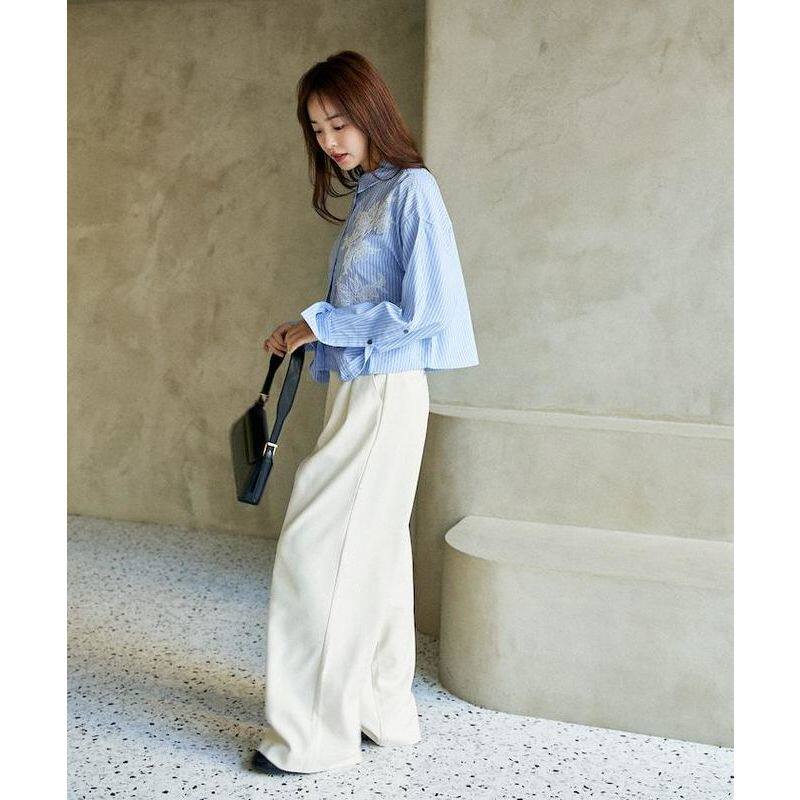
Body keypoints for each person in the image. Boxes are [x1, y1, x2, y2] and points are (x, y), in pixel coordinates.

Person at [251, 50, 479, 775]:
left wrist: (323, 323)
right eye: (317, 129)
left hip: (384, 394)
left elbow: (428, 312)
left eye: (339, 123)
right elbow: (364, 307)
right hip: (361, 392)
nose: (329, 141)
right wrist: (308, 329)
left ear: (372, 112)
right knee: (373, 552)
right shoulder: (372, 195)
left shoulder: (412, 189)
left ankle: (313, 739)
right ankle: (383, 711)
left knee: (316, 553)